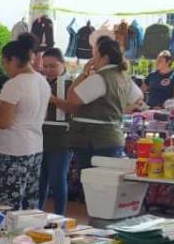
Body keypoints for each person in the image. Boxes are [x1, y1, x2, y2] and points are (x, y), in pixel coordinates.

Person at [54, 37, 143, 174]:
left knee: (92, 185)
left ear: (105, 58)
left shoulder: (100, 78)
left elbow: (72, 98)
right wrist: (117, 111)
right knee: (106, 184)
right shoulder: (124, 77)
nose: (92, 59)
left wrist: (84, 73)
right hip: (112, 136)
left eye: (95, 55)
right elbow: (138, 99)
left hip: (92, 140)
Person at [0, 35, 50, 210]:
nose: (4, 69)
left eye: (4, 63)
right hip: (35, 147)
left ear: (12, 60)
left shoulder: (14, 84)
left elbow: (4, 122)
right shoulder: (42, 81)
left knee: (8, 206)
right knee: (30, 204)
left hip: (14, 150)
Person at [39, 48, 73, 214]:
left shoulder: (72, 83)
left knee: (57, 180)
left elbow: (75, 108)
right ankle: (36, 214)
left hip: (62, 138)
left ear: (63, 64)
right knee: (39, 180)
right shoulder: (40, 81)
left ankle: (61, 217)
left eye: (53, 66)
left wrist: (52, 100)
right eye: (45, 66)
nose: (48, 70)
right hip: (39, 136)